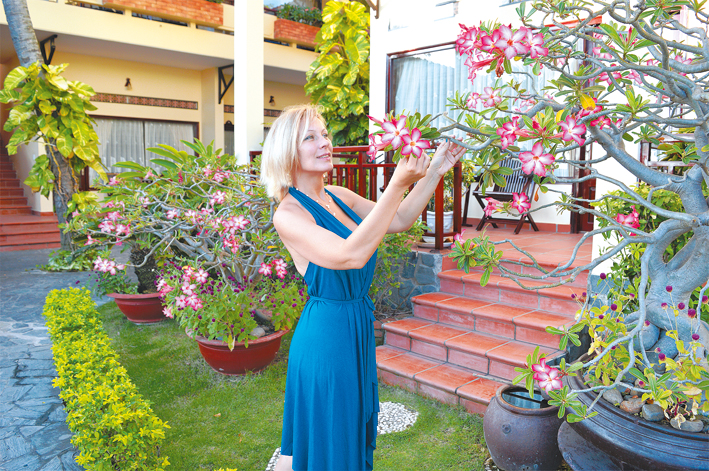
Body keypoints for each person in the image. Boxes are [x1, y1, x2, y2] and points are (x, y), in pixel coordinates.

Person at [260, 104, 465, 471]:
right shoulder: (288, 215)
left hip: (355, 325)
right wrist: (397, 183)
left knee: (348, 428)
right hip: (326, 337)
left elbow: (399, 217)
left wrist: (435, 171)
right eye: (310, 137)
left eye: (325, 134)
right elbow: (349, 255)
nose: (325, 143)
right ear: (288, 151)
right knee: (332, 435)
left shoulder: (339, 195)